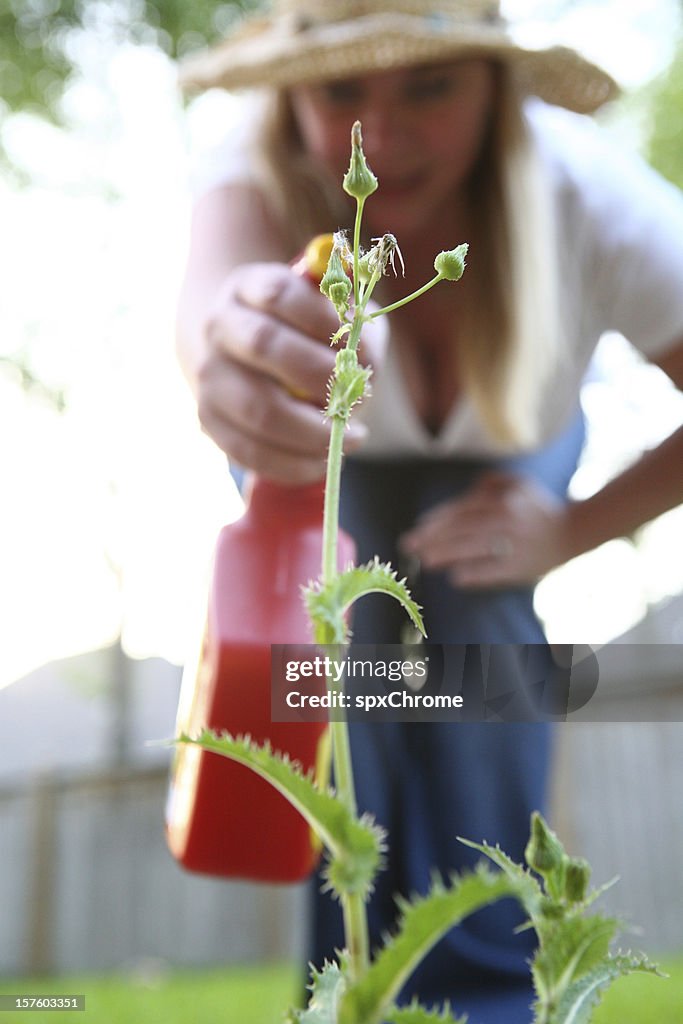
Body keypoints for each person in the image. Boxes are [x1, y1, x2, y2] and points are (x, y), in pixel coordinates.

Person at [174, 3, 683, 1021]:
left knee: (470, 602)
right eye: (340, 91)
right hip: (315, 457)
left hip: (508, 452)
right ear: (292, 101)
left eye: (428, 86)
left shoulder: (590, 195)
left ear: (494, 90)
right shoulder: (250, 174)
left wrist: (569, 526)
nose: (382, 135)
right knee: (341, 637)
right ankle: (348, 981)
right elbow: (208, 319)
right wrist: (229, 356)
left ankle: (487, 986)